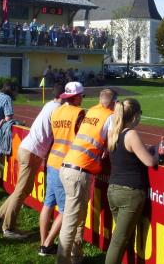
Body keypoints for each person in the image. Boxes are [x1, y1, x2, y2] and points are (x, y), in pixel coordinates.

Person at [0, 83, 68, 240]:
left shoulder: (50, 104)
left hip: (28, 149)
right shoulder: (58, 109)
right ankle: (8, 228)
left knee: (21, 189)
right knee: (22, 191)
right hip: (33, 152)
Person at [57, 88, 117, 263]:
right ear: (114, 102)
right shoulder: (110, 116)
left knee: (79, 214)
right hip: (79, 171)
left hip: (69, 165)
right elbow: (114, 142)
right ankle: (62, 259)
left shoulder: (92, 111)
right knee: (70, 221)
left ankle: (76, 255)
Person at [105, 98, 157, 264]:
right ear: (135, 116)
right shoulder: (131, 134)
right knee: (119, 239)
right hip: (130, 193)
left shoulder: (113, 132)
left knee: (125, 236)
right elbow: (149, 161)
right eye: (140, 114)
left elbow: (125, 155)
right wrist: (157, 152)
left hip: (113, 189)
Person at [38, 82, 86, 256]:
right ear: (78, 96)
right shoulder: (79, 113)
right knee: (67, 210)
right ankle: (47, 244)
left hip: (52, 159)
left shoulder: (56, 111)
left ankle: (43, 242)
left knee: (48, 204)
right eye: (82, 96)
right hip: (66, 163)